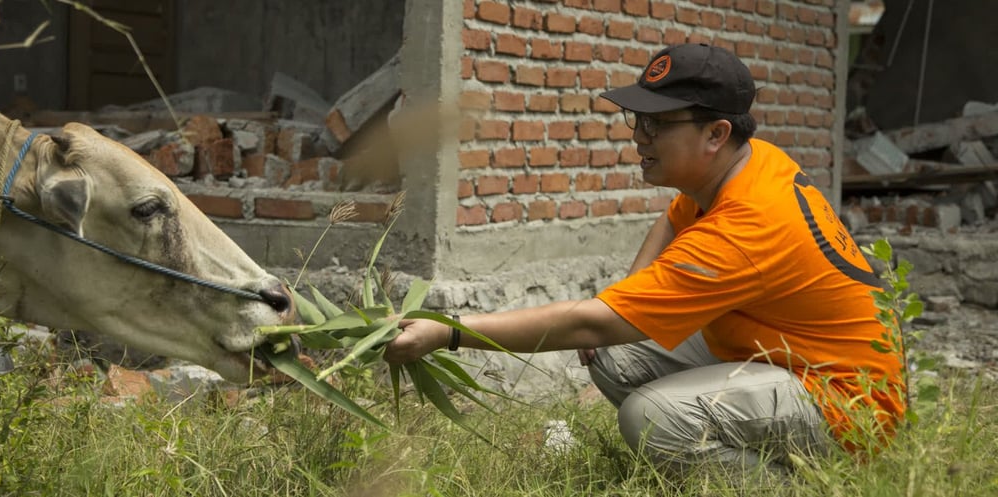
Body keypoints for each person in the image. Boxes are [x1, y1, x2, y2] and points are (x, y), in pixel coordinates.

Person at [384, 43, 904, 476]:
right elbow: (673, 219)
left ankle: (804, 485)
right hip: (782, 355)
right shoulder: (747, 161)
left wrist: (445, 330)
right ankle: (719, 452)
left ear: (715, 134)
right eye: (638, 119)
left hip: (847, 404)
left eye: (656, 124)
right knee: (615, 352)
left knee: (650, 417)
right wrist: (627, 299)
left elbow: (591, 323)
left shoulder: (748, 225)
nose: (637, 137)